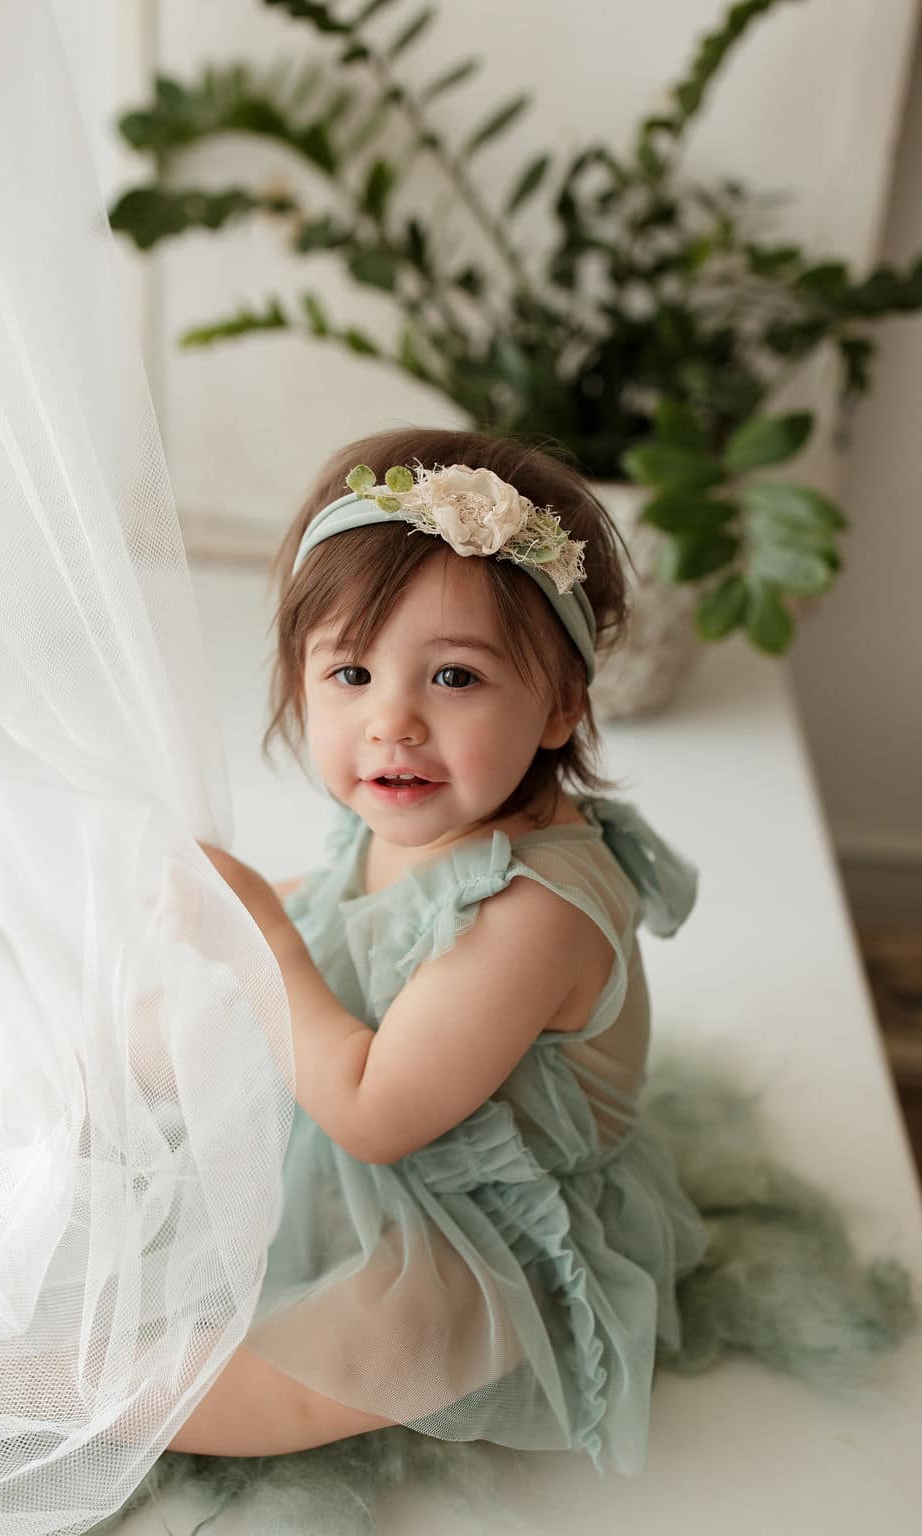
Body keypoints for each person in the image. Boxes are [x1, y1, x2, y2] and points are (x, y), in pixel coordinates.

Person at [160, 426, 712, 1478]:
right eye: (353, 672)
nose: (392, 723)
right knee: (146, 1061)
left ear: (559, 705)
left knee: (370, 1344)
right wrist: (243, 911)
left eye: (454, 678)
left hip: (487, 1220)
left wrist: (262, 942)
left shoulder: (535, 910)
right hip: (378, 1111)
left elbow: (370, 1113)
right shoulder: (419, 804)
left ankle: (87, 1398)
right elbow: (346, 912)